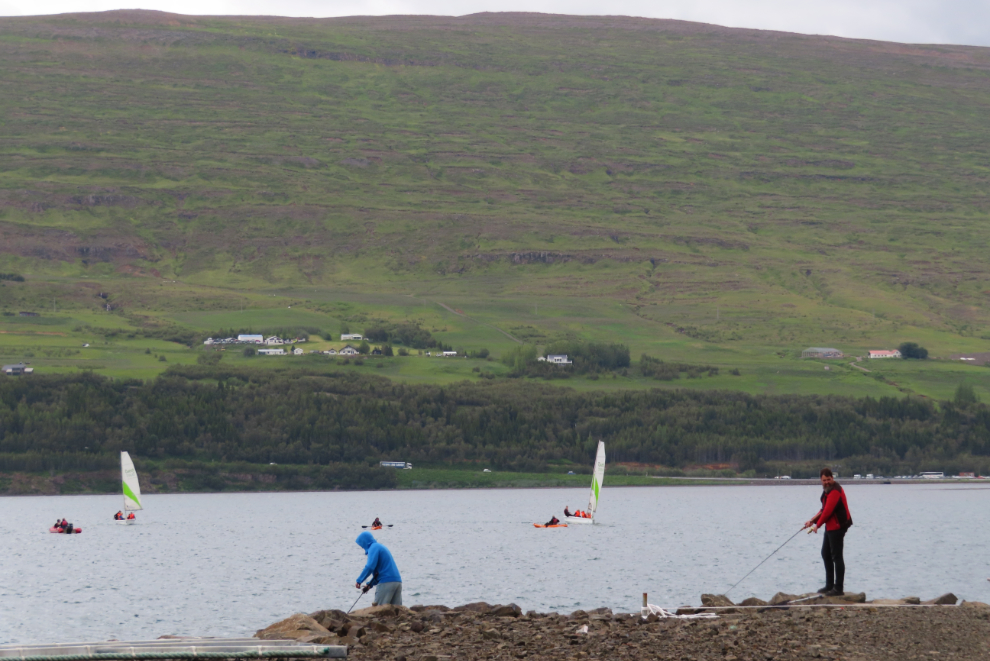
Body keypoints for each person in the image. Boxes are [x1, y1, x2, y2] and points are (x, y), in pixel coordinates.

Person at [804, 467, 853, 597]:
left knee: (836, 557)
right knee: (825, 554)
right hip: (831, 526)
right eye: (824, 480)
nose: (826, 482)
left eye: (828, 479)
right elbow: (823, 510)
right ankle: (829, 585)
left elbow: (828, 511)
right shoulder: (827, 491)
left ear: (832, 478)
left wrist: (817, 525)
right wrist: (812, 521)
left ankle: (838, 588)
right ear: (821, 480)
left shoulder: (835, 491)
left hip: (838, 526)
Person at [354, 531, 402, 606]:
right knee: (396, 613)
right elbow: (380, 573)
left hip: (386, 583)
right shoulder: (380, 547)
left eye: (361, 545)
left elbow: (370, 567)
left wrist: (359, 580)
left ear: (365, 542)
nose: (362, 547)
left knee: (379, 610)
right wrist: (370, 585)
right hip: (397, 582)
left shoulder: (373, 548)